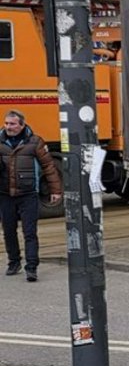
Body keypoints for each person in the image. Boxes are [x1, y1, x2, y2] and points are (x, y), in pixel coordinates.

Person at [0, 110, 62, 283]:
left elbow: (49, 166)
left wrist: (55, 191)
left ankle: (32, 267)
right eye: (6, 123)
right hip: (5, 194)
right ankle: (14, 262)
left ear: (21, 125)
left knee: (30, 233)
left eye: (12, 124)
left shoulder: (34, 142)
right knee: (9, 231)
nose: (8, 127)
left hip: (28, 195)